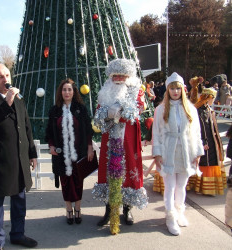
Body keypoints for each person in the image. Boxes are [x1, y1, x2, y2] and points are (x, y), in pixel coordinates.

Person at [0, 64, 38, 249]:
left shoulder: (19, 99)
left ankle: (18, 234)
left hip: (19, 159)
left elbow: (26, 128)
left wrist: (31, 154)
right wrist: (6, 102)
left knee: (19, 201)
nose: (5, 79)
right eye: (0, 77)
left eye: (7, 75)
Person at [92, 58, 148, 235]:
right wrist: (107, 113)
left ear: (128, 76)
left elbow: (134, 111)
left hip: (128, 139)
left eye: (122, 76)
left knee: (129, 170)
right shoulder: (105, 91)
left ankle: (127, 208)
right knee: (109, 172)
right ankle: (109, 210)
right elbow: (98, 117)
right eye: (115, 75)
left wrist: (119, 110)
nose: (118, 78)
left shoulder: (136, 90)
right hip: (110, 140)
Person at [152, 72, 204, 236]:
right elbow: (157, 133)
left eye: (178, 88)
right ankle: (170, 216)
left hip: (186, 151)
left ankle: (179, 211)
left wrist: (197, 152)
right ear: (167, 90)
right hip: (168, 150)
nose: (175, 92)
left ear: (183, 89)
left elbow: (196, 133)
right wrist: (158, 154)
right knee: (170, 186)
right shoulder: (160, 109)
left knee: (181, 185)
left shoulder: (189, 108)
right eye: (172, 88)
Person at [45, 78, 94, 225]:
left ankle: (78, 209)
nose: (67, 92)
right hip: (61, 154)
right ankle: (68, 209)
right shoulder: (54, 110)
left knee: (78, 182)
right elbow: (49, 132)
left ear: (74, 92)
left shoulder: (81, 109)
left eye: (69, 89)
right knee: (65, 182)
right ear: (60, 92)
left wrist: (90, 148)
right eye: (64, 89)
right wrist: (51, 146)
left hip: (78, 152)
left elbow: (88, 131)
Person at [188, 88, 226, 195]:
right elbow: (202, 128)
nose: (213, 100)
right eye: (213, 98)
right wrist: (204, 142)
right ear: (209, 97)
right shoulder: (201, 111)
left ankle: (207, 186)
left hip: (212, 140)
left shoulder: (208, 109)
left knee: (211, 161)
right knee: (206, 161)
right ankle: (205, 188)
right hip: (207, 141)